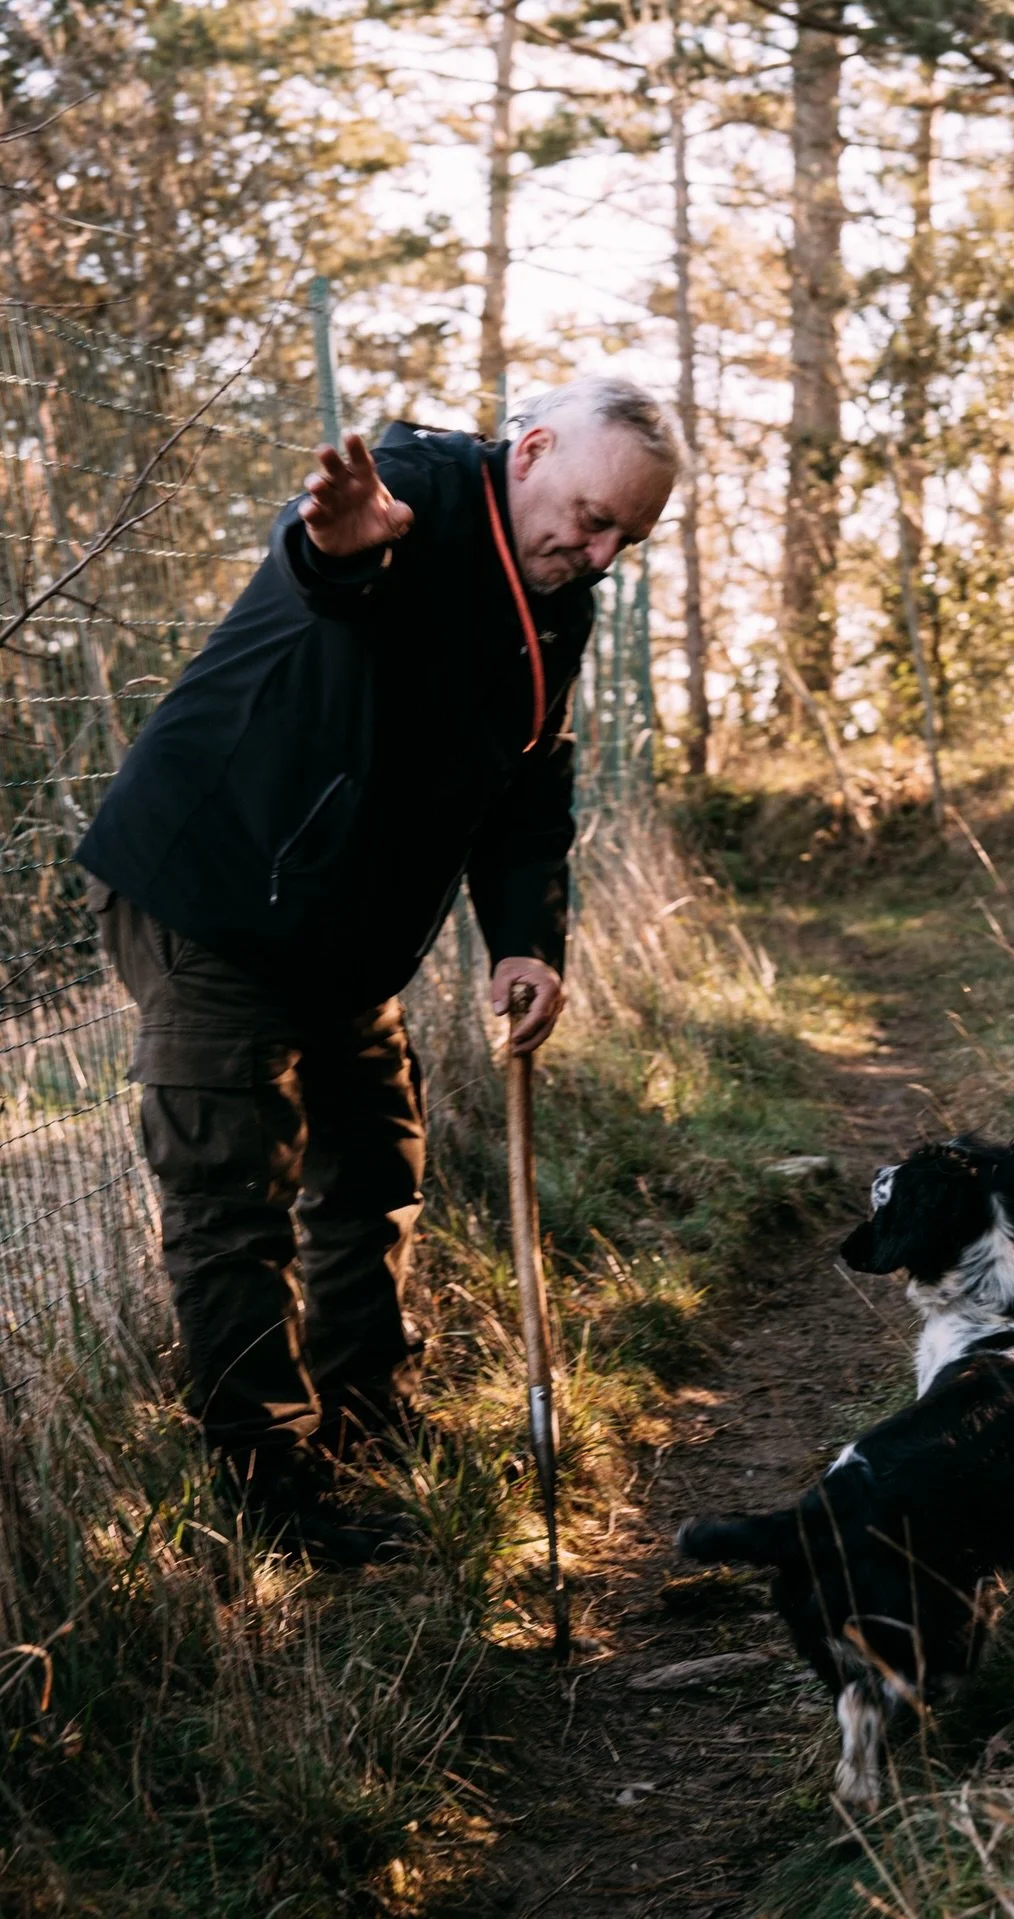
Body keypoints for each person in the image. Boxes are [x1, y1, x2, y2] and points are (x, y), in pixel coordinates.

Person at [78, 376, 679, 1563]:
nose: (601, 551)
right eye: (594, 517)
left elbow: (528, 782)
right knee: (232, 1196)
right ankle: (272, 1492)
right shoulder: (409, 493)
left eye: (627, 538)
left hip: (345, 937)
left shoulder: (561, 597)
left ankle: (368, 1427)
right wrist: (335, 549)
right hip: (214, 895)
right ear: (534, 449)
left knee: (374, 1172)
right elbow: (330, 564)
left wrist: (525, 940)